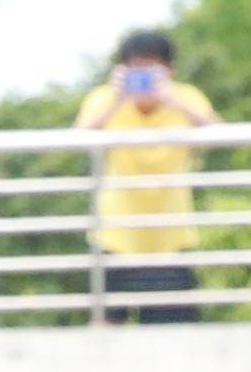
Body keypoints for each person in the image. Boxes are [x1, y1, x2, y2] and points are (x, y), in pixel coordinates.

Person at [76, 30, 219, 325]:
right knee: (106, 326)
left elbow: (220, 135)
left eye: (151, 68)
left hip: (171, 237)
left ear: (170, 71)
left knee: (175, 332)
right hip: (117, 235)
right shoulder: (104, 99)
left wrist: (174, 101)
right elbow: (77, 140)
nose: (143, 77)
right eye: (136, 68)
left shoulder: (186, 97)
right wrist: (116, 101)